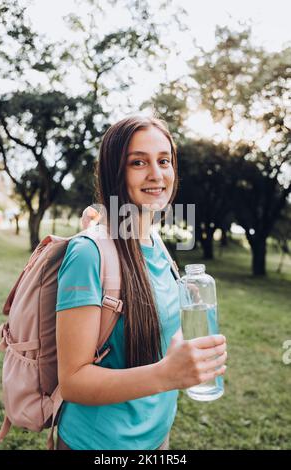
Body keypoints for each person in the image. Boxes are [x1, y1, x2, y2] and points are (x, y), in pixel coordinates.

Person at [55, 115, 227, 450]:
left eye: (164, 160)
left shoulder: (156, 243)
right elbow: (73, 382)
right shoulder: (88, 254)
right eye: (138, 162)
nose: (157, 174)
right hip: (99, 444)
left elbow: (160, 337)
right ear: (114, 172)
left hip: (157, 436)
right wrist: (168, 374)